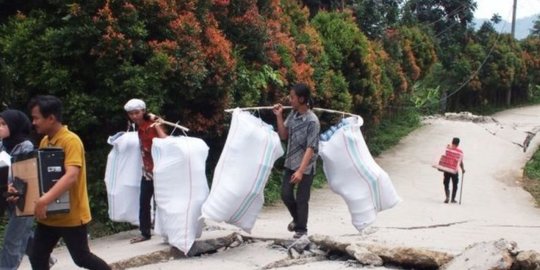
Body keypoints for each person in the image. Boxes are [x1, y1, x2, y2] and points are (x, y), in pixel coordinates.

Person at [27, 95, 111, 270]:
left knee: (81, 257)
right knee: (37, 256)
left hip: (71, 215)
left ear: (51, 118)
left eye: (36, 118)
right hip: (49, 215)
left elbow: (71, 175)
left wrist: (44, 200)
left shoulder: (70, 140)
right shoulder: (45, 141)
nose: (33, 122)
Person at [273, 83, 320, 239]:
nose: (290, 99)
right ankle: (297, 219)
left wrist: (301, 170)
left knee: (302, 198)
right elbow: (283, 135)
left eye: (292, 97)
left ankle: (301, 230)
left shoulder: (312, 121)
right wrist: (279, 116)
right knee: (285, 194)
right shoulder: (293, 115)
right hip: (290, 162)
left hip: (306, 166)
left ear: (301, 99)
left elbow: (311, 147)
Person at [123, 98, 167, 244]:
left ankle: (167, 230)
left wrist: (158, 124)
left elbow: (165, 141)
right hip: (148, 170)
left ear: (143, 111)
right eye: (131, 114)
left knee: (162, 201)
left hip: (160, 169)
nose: (134, 116)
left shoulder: (153, 124)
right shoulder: (139, 128)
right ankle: (145, 233)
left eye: (137, 113)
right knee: (144, 201)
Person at [0, 109, 35, 270]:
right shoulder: (2, 145)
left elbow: (27, 173)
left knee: (12, 241)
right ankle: (42, 257)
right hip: (7, 197)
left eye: (3, 124)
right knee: (23, 236)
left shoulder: (25, 146)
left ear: (14, 126)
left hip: (24, 199)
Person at [443, 137, 465, 203]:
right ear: (458, 144)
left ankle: (447, 196)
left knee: (446, 183)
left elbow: (442, 156)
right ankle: (452, 199)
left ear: (452, 141)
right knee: (455, 184)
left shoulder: (447, 148)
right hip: (454, 171)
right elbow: (460, 162)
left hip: (446, 169)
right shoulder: (460, 152)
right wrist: (463, 169)